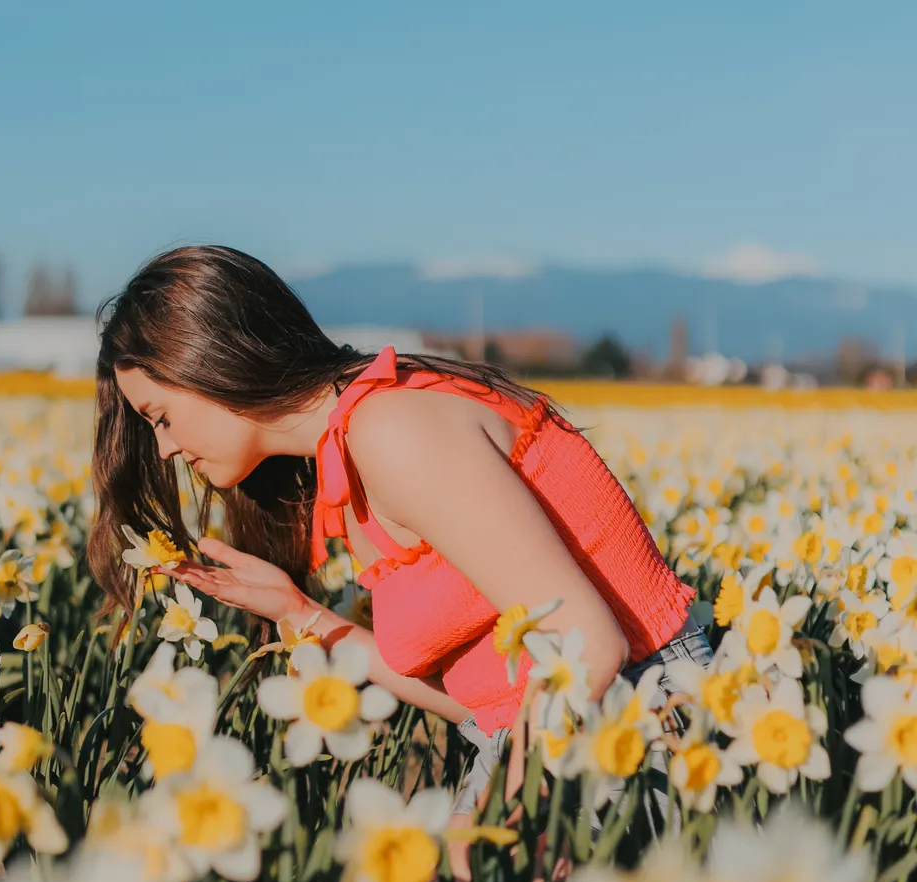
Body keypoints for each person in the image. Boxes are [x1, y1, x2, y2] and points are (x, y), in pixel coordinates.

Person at [89, 245, 709, 800]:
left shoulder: (391, 431)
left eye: (160, 417)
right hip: (552, 730)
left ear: (210, 361)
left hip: (642, 728)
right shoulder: (349, 463)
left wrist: (485, 828)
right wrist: (298, 613)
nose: (165, 450)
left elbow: (591, 648)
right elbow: (484, 700)